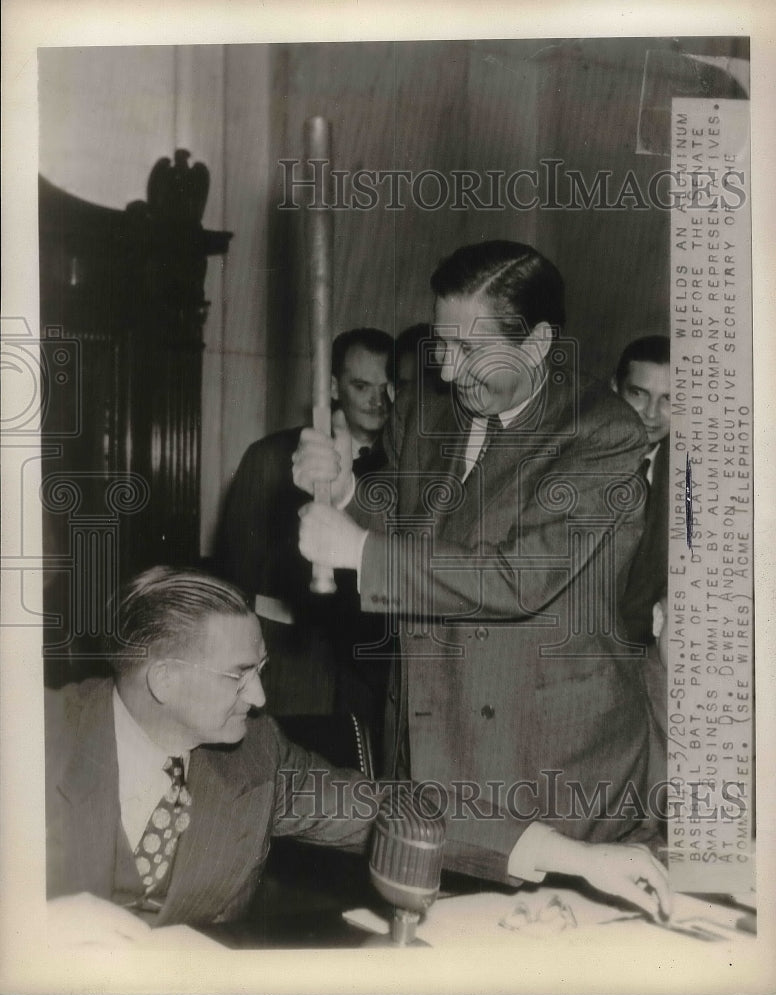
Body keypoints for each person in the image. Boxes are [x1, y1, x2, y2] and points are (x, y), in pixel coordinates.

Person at [45, 565, 671, 946]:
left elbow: (396, 809)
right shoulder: (35, 739)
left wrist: (578, 857)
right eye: (238, 676)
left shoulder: (255, 757)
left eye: (260, 669)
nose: (260, 698)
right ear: (165, 681)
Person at [292, 240, 662, 859]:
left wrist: (362, 553)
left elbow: (520, 576)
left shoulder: (602, 432)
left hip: (545, 761)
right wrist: (347, 488)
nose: (448, 368)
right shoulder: (421, 406)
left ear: (538, 343)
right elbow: (410, 519)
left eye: (471, 349)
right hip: (428, 735)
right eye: (442, 342)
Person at [215, 327, 394, 732]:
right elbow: (237, 574)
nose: (376, 400)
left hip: (371, 661)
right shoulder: (273, 458)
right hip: (291, 656)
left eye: (386, 387)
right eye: (361, 385)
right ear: (331, 386)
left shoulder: (404, 468)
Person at [611, 334, 671, 646]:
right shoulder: (571, 460)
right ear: (614, 389)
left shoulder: (691, 481)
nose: (651, 413)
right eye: (638, 393)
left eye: (669, 400)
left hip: (641, 649)